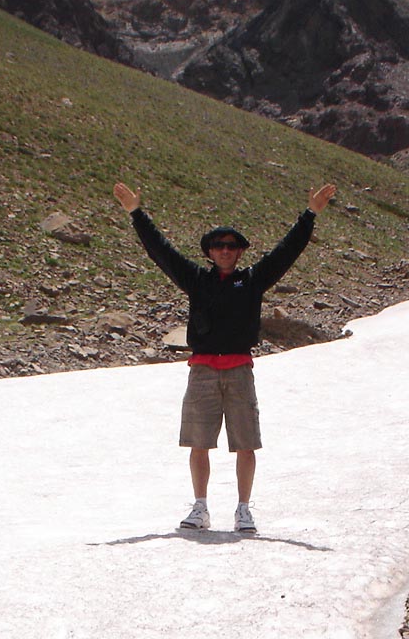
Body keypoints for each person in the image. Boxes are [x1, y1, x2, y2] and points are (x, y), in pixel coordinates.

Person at [113, 181, 336, 532]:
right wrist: (136, 213)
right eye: (218, 246)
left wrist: (310, 215)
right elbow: (161, 252)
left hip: (239, 370)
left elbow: (286, 252)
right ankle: (200, 507)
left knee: (245, 444)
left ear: (240, 251)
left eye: (231, 246)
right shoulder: (197, 279)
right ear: (209, 252)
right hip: (202, 369)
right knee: (198, 442)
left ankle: (243, 509)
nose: (225, 251)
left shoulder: (252, 280)